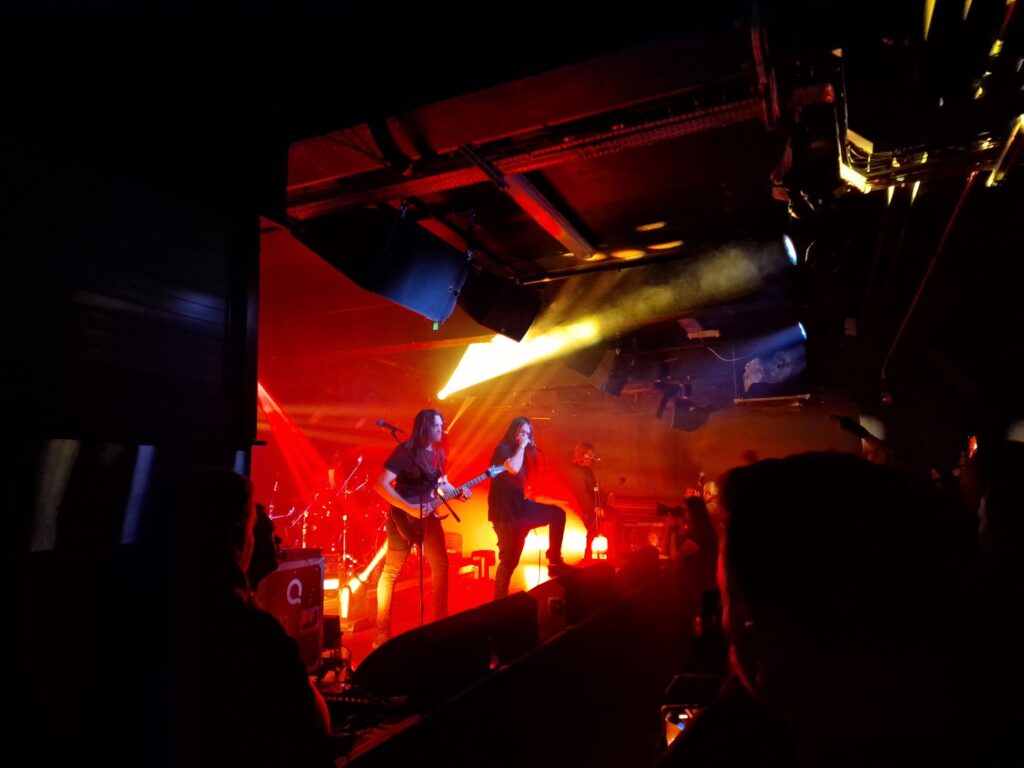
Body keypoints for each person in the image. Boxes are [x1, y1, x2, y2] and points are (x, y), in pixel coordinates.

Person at [190, 469, 333, 768]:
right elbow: (310, 742)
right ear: (239, 537)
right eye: (263, 528)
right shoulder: (254, 634)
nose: (278, 537)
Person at [373, 409, 469, 648]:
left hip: (429, 514)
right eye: (437, 425)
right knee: (392, 571)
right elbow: (380, 484)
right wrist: (407, 506)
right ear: (425, 426)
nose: (441, 429)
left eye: (442, 424)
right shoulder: (405, 450)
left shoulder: (438, 451)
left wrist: (458, 492)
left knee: (441, 565)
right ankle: (381, 633)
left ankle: (440, 623)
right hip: (403, 518)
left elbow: (441, 483)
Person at [488, 416, 573, 600]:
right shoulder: (503, 449)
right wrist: (521, 447)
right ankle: (497, 603)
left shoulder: (521, 453)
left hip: (521, 509)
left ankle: (554, 561)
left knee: (558, 515)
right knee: (509, 561)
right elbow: (513, 468)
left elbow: (517, 479)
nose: (524, 436)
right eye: (521, 431)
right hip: (505, 515)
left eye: (527, 433)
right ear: (513, 431)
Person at [568, 441, 606, 561]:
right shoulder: (578, 471)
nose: (591, 456)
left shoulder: (588, 471)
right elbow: (582, 492)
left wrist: (605, 496)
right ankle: (588, 555)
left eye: (592, 453)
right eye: (589, 454)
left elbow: (594, 488)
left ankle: (590, 554)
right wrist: (594, 508)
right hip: (584, 508)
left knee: (609, 520)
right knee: (596, 525)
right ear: (582, 455)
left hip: (593, 506)